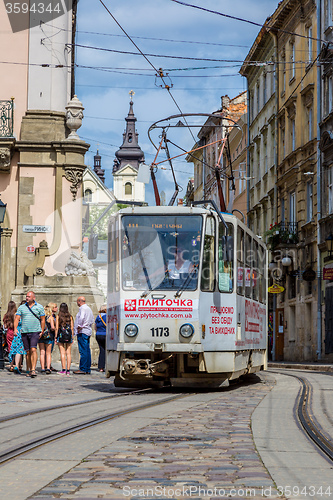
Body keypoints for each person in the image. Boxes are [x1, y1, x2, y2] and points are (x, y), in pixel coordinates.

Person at [14, 291, 45, 378]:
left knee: (33, 349)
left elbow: (43, 319)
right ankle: (29, 369)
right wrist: (15, 329)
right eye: (26, 296)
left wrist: (42, 331)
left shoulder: (39, 307)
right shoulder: (21, 307)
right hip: (24, 331)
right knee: (27, 352)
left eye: (29, 297)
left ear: (33, 298)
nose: (27, 298)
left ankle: (33, 370)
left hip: (35, 331)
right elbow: (17, 319)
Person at [73, 296, 94, 375]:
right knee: (87, 350)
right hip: (87, 330)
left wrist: (79, 326)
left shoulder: (82, 308)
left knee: (83, 351)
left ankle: (83, 368)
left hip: (82, 331)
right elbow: (92, 319)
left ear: (79, 301)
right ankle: (87, 368)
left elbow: (81, 318)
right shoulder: (89, 309)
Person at [55, 303, 74, 376]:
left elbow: (57, 328)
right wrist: (72, 336)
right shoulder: (70, 316)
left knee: (62, 353)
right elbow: (72, 328)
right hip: (68, 336)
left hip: (61, 336)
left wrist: (56, 337)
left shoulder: (58, 316)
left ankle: (63, 369)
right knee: (68, 353)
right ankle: (68, 370)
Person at [8, 300, 26, 374]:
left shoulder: (16, 314)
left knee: (14, 348)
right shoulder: (25, 314)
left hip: (16, 332)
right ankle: (17, 366)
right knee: (20, 350)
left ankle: (12, 365)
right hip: (22, 332)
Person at [38, 303, 55, 374]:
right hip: (48, 336)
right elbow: (53, 327)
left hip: (41, 336)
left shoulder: (40, 317)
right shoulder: (50, 317)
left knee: (42, 352)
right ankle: (48, 368)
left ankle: (42, 368)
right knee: (48, 353)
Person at [3, 301, 17, 372]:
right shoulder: (15, 314)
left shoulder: (6, 315)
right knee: (16, 348)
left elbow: (5, 326)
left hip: (9, 332)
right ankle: (16, 363)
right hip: (15, 332)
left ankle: (11, 363)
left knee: (10, 348)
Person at [95, 305, 107, 372]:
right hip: (105, 335)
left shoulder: (98, 316)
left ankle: (101, 367)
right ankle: (107, 366)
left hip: (98, 335)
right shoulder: (107, 316)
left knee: (101, 350)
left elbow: (95, 327)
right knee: (107, 351)